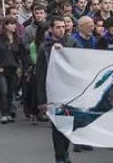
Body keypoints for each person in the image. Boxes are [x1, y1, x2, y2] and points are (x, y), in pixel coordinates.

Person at [37, 17, 81, 163]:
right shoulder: (44, 47)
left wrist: (64, 53)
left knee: (67, 124)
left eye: (64, 26)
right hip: (53, 91)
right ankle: (59, 156)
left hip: (69, 90)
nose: (62, 29)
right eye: (58, 27)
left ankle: (65, 152)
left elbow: (80, 63)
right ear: (51, 29)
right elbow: (41, 74)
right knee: (57, 126)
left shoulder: (71, 43)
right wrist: (42, 99)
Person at [0, 16, 26, 124]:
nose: (14, 26)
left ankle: (9, 112)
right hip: (0, 69)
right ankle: (4, 114)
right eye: (12, 24)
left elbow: (22, 56)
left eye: (15, 24)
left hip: (13, 69)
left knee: (11, 92)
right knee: (3, 91)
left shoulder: (18, 40)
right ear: (6, 25)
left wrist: (23, 68)